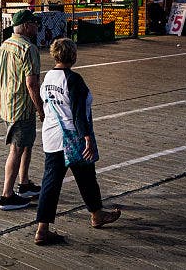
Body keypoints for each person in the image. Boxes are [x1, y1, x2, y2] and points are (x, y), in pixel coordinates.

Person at [34, 37, 120, 245]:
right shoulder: (74, 79)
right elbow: (78, 113)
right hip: (72, 137)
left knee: (52, 182)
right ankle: (97, 215)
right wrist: (87, 137)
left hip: (51, 135)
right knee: (87, 176)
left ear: (55, 55)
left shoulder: (48, 78)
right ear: (73, 56)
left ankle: (42, 229)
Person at [0, 9, 45, 210]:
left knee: (26, 144)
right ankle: (7, 195)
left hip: (6, 101)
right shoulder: (28, 48)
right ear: (25, 26)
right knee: (17, 148)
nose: (36, 27)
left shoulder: (5, 45)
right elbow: (31, 83)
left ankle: (24, 184)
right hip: (22, 105)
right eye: (34, 23)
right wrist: (40, 109)